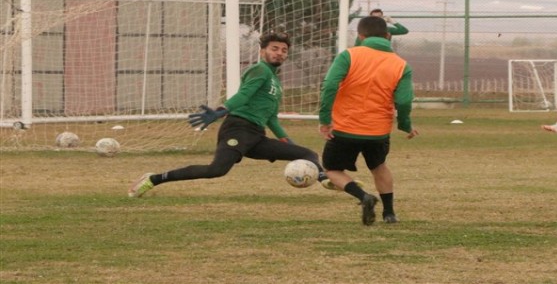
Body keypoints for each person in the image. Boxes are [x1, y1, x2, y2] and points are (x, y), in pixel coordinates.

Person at [128, 31, 332, 198]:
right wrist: (220, 111)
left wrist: (286, 141)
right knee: (216, 170)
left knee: (306, 153)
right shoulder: (259, 71)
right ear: (263, 52)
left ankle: (325, 179)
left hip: (256, 136)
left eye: (284, 50)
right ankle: (153, 179)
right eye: (274, 49)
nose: (279, 53)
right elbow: (243, 96)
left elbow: (271, 117)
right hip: (238, 129)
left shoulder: (276, 82)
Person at [319, 16, 419, 225]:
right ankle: (389, 213)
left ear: (361, 36)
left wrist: (325, 119)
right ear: (387, 36)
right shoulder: (401, 65)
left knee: (332, 169)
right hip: (378, 132)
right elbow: (404, 100)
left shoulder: (349, 55)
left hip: (345, 128)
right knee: (379, 166)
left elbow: (329, 85)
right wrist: (405, 124)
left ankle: (363, 196)